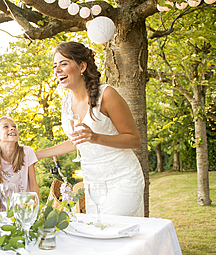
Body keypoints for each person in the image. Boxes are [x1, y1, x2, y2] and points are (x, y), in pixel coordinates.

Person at [35, 41, 145, 217]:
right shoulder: (65, 103)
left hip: (122, 179)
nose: (57, 70)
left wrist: (95, 137)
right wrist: (36, 154)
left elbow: (134, 139)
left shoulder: (107, 95)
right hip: (93, 183)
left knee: (114, 232)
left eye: (64, 63)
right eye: (55, 66)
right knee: (98, 234)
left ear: (82, 66)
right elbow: (76, 142)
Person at [0, 116, 39, 197]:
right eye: (6, 126)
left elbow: (33, 184)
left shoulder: (27, 152)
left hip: (24, 207)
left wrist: (34, 206)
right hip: (0, 209)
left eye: (14, 126)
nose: (12, 128)